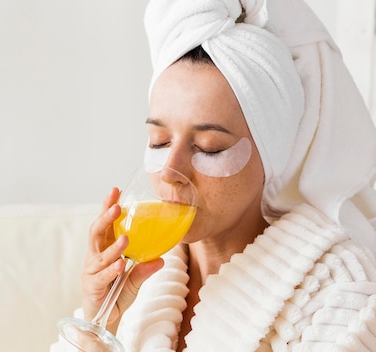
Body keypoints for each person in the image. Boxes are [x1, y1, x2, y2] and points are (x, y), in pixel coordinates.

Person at [52, 0, 376, 351]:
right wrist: (97, 321)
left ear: (271, 158)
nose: (170, 170)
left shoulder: (338, 292)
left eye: (208, 147)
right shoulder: (138, 279)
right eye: (159, 141)